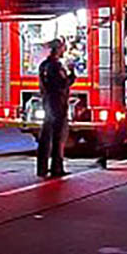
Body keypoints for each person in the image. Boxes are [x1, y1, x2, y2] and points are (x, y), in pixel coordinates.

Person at [37, 37, 76, 178]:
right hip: (58, 105)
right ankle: (56, 168)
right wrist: (72, 74)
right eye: (61, 48)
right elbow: (63, 84)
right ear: (57, 49)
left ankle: (41, 168)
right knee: (58, 137)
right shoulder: (56, 66)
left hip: (47, 103)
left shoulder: (43, 65)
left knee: (45, 137)